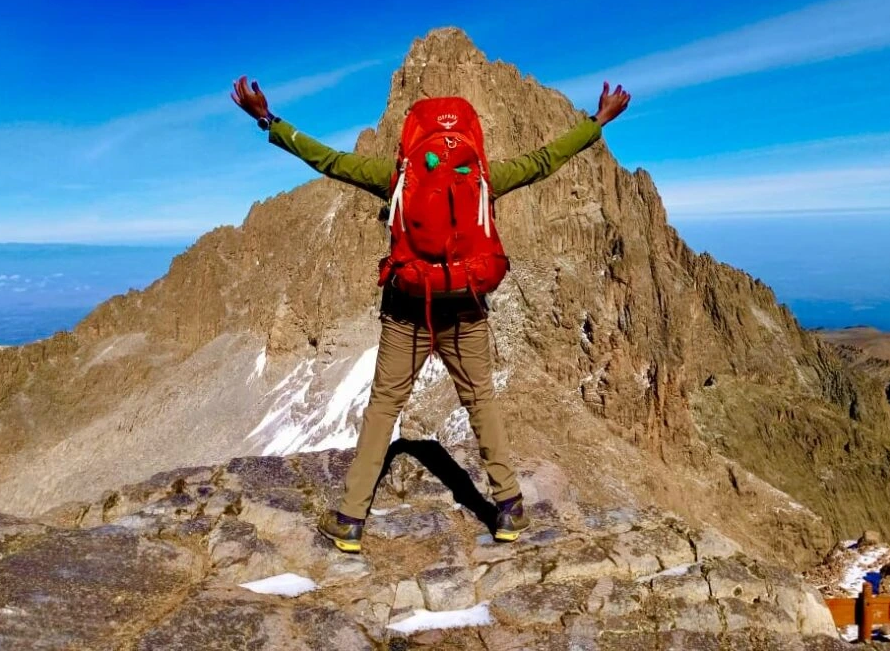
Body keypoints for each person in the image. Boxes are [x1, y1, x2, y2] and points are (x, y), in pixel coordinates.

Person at [231, 74, 631, 552]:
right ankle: (508, 506)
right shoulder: (484, 179)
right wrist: (596, 122)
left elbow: (329, 161)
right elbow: (545, 161)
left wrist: (268, 121)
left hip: (408, 308)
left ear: (412, 138)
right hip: (466, 304)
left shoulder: (396, 178)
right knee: (480, 399)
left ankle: (351, 520)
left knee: (384, 405)